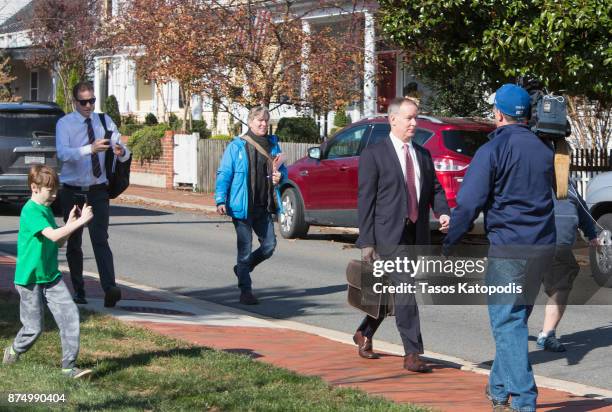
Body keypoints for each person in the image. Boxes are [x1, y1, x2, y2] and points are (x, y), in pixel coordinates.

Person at [443, 84, 556, 412]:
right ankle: (497, 389)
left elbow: (468, 204)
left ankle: (524, 401)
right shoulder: (544, 150)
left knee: (507, 324)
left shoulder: (492, 151)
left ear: (498, 113)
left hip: (509, 249)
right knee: (515, 323)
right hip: (542, 248)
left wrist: (451, 241)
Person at [353, 97, 450, 372]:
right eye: (409, 118)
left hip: (415, 234)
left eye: (416, 118)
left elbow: (435, 190)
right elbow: (366, 201)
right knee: (405, 289)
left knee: (393, 292)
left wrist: (443, 212)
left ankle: (364, 332)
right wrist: (367, 241)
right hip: (388, 235)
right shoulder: (374, 155)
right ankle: (413, 353)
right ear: (392, 119)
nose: (414, 123)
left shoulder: (422, 154)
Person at [3, 166, 94, 379]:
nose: (54, 194)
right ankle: (14, 351)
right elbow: (53, 236)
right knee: (34, 328)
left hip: (51, 276)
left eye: (55, 190)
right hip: (30, 279)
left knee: (70, 315)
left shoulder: (46, 210)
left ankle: (68, 368)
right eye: (49, 190)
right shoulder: (31, 210)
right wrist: (81, 221)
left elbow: (58, 241)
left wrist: (71, 223)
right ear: (34, 187)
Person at [56, 81, 130, 308]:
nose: (89, 106)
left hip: (98, 189)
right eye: (84, 102)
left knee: (100, 239)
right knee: (74, 242)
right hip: (73, 190)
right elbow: (63, 154)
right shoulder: (65, 124)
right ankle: (79, 290)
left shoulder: (104, 121)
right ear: (75, 102)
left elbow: (121, 147)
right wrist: (90, 149)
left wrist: (121, 152)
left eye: (92, 101)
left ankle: (110, 288)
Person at [215, 106, 287, 305]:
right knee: (244, 250)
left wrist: (280, 177)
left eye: (266, 121)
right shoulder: (237, 146)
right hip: (242, 206)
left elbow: (283, 172)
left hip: (264, 206)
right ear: (250, 122)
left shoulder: (274, 146)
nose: (263, 124)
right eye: (259, 121)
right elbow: (224, 173)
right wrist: (220, 199)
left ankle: (242, 269)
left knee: (269, 246)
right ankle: (245, 290)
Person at [538, 179, 598, 351]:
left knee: (560, 288)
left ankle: (547, 334)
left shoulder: (568, 183)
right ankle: (512, 333)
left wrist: (591, 234)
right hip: (531, 245)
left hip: (560, 249)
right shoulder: (531, 175)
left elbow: (582, 209)